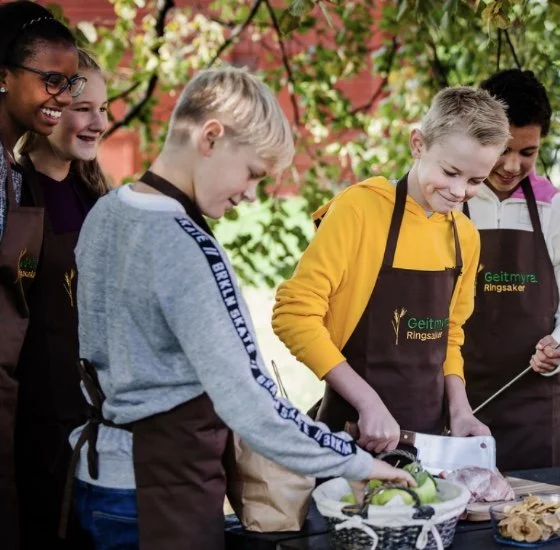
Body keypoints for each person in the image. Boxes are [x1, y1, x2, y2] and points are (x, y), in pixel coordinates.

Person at [68, 67, 413, 550]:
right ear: (211, 137)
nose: (251, 194)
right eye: (253, 172)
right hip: (160, 493)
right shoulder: (188, 247)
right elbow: (252, 402)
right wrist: (359, 462)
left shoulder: (106, 212)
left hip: (96, 480)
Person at [273, 87, 509, 453]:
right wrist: (368, 403)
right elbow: (294, 315)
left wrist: (460, 409)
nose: (459, 192)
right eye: (450, 172)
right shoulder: (360, 210)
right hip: (350, 436)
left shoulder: (465, 235)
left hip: (428, 442)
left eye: (476, 181)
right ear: (418, 144)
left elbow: (449, 334)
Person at [461, 69, 560, 470]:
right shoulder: (450, 201)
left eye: (528, 152)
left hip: (536, 410)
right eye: (502, 148)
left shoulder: (557, 211)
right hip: (457, 403)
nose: (512, 165)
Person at [12, 48, 107, 550]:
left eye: (104, 109)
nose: (98, 122)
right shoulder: (13, 192)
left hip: (95, 422)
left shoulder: (101, 202)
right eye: (83, 108)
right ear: (50, 110)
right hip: (28, 419)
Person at [0, 3, 84, 549]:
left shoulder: (11, 172)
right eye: (50, 80)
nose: (63, 96)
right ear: (3, 78)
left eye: (69, 82)